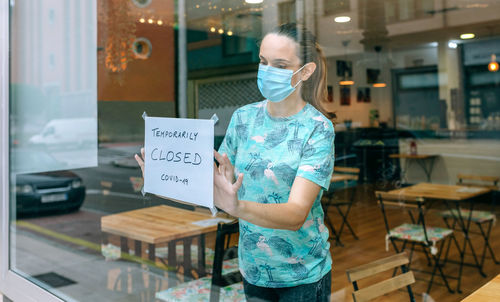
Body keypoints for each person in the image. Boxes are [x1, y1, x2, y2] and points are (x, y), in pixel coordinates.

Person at [136, 23, 335, 302]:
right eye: (263, 62)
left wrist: (236, 206)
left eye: (279, 65)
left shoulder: (317, 128)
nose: (267, 72)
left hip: (302, 276)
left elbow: (295, 214)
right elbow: (219, 194)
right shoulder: (243, 119)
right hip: (253, 270)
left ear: (306, 71)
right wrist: (164, 182)